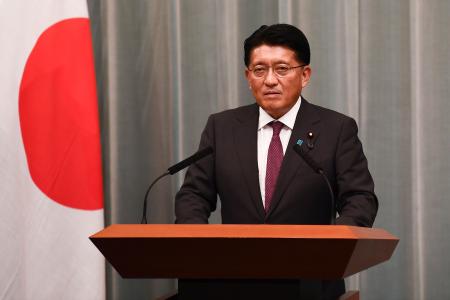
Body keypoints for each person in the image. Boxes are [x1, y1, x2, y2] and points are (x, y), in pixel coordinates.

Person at [175, 24, 378, 300]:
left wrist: (333, 245)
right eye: (259, 70)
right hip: (231, 283)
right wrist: (199, 244)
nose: (270, 80)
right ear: (248, 77)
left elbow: (360, 197)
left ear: (305, 75)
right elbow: (193, 195)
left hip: (310, 283)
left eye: (282, 69)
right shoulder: (221, 127)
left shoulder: (336, 129)